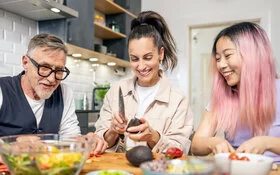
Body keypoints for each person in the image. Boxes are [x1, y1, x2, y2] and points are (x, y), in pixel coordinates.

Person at [95, 11, 193, 153]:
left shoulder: (178, 100)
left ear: (161, 54)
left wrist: (153, 137)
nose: (141, 66)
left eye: (147, 57)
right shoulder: (116, 91)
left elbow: (180, 150)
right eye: (134, 59)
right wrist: (113, 131)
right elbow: (99, 141)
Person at [0, 33, 107, 155]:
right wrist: (10, 147)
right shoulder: (2, 89)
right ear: (25, 62)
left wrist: (85, 141)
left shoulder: (64, 92)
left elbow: (70, 138)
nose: (52, 79)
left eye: (59, 70)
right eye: (44, 67)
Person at [191, 22, 280, 163]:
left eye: (227, 56)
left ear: (252, 55)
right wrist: (213, 142)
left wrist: (266, 142)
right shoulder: (221, 97)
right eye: (218, 58)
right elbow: (196, 145)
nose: (220, 65)